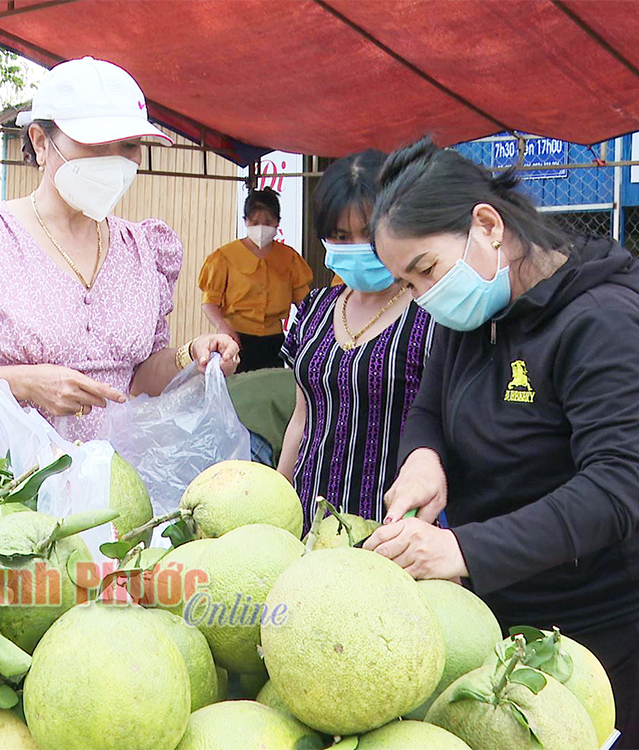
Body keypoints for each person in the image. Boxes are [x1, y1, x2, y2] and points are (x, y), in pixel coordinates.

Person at [366, 138, 639, 742]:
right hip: (495, 625)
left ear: (486, 226)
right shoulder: (472, 318)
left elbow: (617, 488)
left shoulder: (602, 321)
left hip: (597, 640)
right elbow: (429, 406)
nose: (422, 296)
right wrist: (422, 458)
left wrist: (461, 551)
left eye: (425, 271)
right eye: (407, 284)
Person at [0, 57, 238, 468]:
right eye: (95, 144)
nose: (114, 160)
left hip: (115, 490)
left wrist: (190, 356)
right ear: (40, 141)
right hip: (8, 493)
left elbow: (138, 379)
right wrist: (24, 383)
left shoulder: (145, 250)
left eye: (128, 146)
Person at [278, 150, 436, 529]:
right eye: (341, 236)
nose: (358, 246)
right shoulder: (315, 308)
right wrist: (277, 500)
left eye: (370, 233)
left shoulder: (432, 313)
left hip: (392, 527)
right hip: (308, 517)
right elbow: (302, 417)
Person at [199, 187, 313, 372]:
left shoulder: (289, 258)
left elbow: (304, 302)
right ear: (245, 221)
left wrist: (313, 328)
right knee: (238, 392)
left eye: (268, 222)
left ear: (278, 222)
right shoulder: (224, 257)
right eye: (255, 222)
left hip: (274, 340)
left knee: (269, 390)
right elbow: (209, 302)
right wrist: (223, 326)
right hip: (236, 338)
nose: (261, 227)